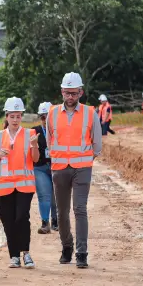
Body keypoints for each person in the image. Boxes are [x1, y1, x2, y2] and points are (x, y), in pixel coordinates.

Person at [48, 72, 102, 269]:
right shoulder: (52, 113)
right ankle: (67, 246)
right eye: (67, 93)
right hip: (60, 168)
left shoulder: (90, 113)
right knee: (61, 213)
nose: (70, 97)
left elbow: (97, 144)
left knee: (80, 209)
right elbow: (50, 140)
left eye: (74, 93)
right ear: (62, 92)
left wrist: (85, 160)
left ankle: (82, 252)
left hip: (82, 168)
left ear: (81, 92)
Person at [0, 98, 40, 268]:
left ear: (21, 117)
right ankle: (14, 256)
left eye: (18, 116)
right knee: (8, 220)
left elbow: (35, 159)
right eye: (12, 116)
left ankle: (25, 253)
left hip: (24, 184)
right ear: (7, 116)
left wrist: (34, 146)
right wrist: (0, 156)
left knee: (21, 217)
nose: (15, 120)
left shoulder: (30, 134)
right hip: (5, 185)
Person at [33, 102, 58, 235]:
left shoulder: (60, 131)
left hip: (57, 166)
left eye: (49, 117)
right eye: (43, 117)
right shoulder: (35, 131)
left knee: (57, 196)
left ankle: (56, 221)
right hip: (40, 168)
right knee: (44, 195)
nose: (46, 121)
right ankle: (45, 223)